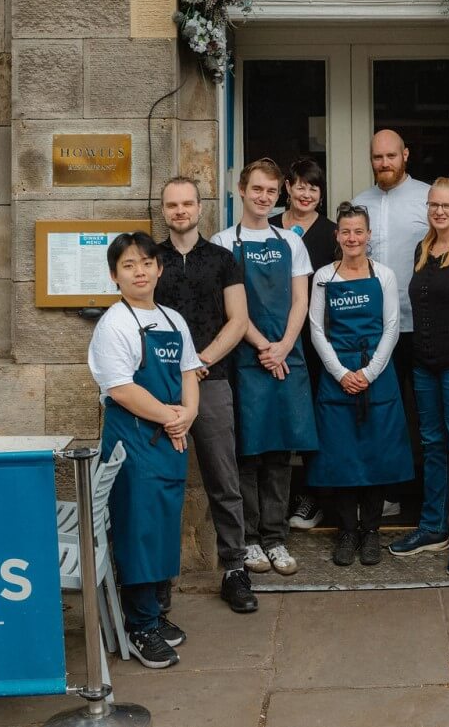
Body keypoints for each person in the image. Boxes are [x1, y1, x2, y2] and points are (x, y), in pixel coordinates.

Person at [88, 232, 200, 669]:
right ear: (115, 275)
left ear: (159, 268)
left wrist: (188, 413)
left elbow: (190, 370)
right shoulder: (114, 324)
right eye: (129, 265)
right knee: (138, 530)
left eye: (146, 263)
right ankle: (139, 626)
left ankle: (155, 611)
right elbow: (121, 389)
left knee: (163, 527)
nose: (140, 271)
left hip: (170, 438)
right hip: (133, 440)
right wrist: (172, 418)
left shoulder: (173, 320)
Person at [155, 176, 258, 614]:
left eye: (188, 203)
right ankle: (156, 578)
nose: (181, 211)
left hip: (212, 381)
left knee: (223, 479)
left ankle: (235, 569)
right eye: (172, 204)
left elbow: (238, 321)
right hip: (158, 387)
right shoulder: (149, 259)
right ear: (164, 211)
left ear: (201, 208)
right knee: (158, 484)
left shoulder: (222, 260)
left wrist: (199, 363)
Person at [211, 158, 318, 576]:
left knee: (279, 450)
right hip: (245, 358)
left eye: (271, 192)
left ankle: (276, 538)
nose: (264, 197)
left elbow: (300, 301)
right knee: (247, 452)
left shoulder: (291, 242)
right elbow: (228, 308)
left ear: (280, 195)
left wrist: (284, 346)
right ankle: (250, 540)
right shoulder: (223, 243)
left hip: (286, 357)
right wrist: (262, 346)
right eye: (257, 189)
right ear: (241, 189)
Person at [307, 202, 414, 566]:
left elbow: (391, 328)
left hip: (377, 378)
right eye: (346, 231)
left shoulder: (383, 275)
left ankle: (370, 531)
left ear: (369, 236)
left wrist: (369, 373)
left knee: (376, 458)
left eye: (359, 231)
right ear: (337, 235)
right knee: (342, 459)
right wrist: (340, 373)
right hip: (337, 378)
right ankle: (346, 532)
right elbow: (317, 330)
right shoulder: (323, 276)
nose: (352, 238)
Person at [389, 179, 449, 577]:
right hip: (423, 364)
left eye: (448, 206)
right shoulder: (423, 247)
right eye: (434, 205)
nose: (440, 212)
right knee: (431, 445)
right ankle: (433, 528)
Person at [354, 129, 430, 515]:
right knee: (380, 412)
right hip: (372, 328)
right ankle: (382, 494)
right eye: (377, 157)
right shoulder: (359, 203)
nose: (384, 163)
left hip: (419, 324)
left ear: (406, 155)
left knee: (420, 413)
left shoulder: (428, 198)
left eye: (391, 156)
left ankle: (419, 496)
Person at [270, 156, 337, 532]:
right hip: (273, 336)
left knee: (312, 416)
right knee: (281, 417)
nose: (306, 193)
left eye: (313, 187)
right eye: (299, 185)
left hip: (315, 339)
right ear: (287, 188)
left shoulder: (331, 233)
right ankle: (278, 498)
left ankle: (313, 497)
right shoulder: (269, 226)